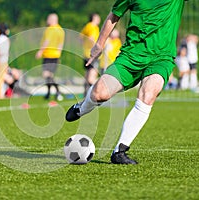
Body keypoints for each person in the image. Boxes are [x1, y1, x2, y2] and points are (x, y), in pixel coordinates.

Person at [66, 0, 187, 164]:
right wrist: (99, 44)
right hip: (130, 56)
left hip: (161, 58)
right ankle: (82, 108)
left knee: (148, 94)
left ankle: (119, 151)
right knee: (99, 93)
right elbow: (114, 15)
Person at [35, 13, 65, 101]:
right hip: (55, 55)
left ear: (53, 19)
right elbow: (61, 44)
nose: (47, 20)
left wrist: (40, 51)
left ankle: (57, 91)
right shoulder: (61, 30)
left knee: (46, 74)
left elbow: (46, 41)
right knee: (49, 75)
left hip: (48, 54)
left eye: (48, 18)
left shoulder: (50, 29)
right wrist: (59, 55)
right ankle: (49, 93)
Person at [80, 13, 101, 96]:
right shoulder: (92, 26)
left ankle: (86, 93)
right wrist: (95, 48)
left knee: (87, 74)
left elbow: (81, 37)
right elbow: (92, 39)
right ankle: (93, 94)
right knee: (92, 76)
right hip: (93, 55)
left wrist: (85, 46)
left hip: (86, 54)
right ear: (94, 18)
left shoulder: (88, 26)